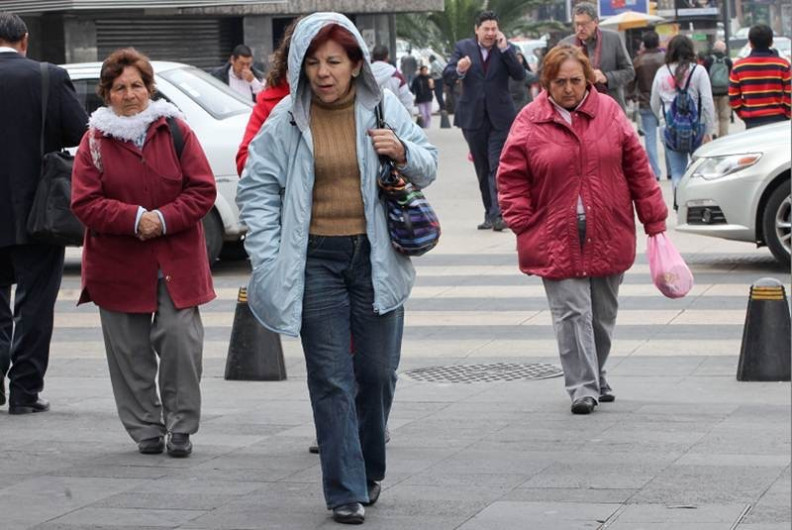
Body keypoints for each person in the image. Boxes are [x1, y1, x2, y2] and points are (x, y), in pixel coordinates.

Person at [236, 12, 437, 524]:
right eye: (313, 63)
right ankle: (343, 488)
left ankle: (368, 469)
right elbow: (257, 191)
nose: (323, 73)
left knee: (376, 374)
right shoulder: (286, 119)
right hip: (315, 262)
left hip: (376, 258)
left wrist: (402, 150)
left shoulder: (383, 106)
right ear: (299, 67)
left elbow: (429, 161)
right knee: (330, 377)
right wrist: (267, 256)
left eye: (334, 61)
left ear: (355, 65)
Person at [497, 44, 668, 415]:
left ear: (588, 79)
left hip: (608, 228)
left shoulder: (609, 112)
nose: (570, 88)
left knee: (602, 316)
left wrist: (654, 218)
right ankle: (583, 387)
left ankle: (596, 371)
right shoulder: (529, 119)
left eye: (576, 80)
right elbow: (510, 178)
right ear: (547, 83)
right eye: (560, 82)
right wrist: (523, 223)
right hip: (553, 234)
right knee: (572, 314)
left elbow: (638, 167)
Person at [71, 48, 217, 457]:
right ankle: (146, 429)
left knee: (179, 339)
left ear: (150, 89)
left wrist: (164, 219)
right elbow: (84, 203)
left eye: (137, 85)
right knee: (129, 352)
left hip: (175, 258)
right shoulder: (94, 142)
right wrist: (135, 219)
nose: (130, 94)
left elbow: (202, 190)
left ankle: (181, 425)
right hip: (116, 263)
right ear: (106, 94)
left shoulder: (174, 130)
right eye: (119, 87)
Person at [0, 12, 88, 414]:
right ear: (25, 40)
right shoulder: (47, 77)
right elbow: (80, 133)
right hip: (38, 215)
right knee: (35, 304)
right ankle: (24, 392)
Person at [443, 10, 525, 232]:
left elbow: (519, 75)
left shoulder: (506, 48)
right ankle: (490, 212)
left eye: (494, 29)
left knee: (496, 166)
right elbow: (447, 74)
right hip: (473, 117)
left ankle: (499, 213)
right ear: (476, 30)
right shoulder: (463, 47)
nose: (490, 33)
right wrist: (459, 69)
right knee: (482, 168)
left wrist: (506, 50)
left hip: (501, 118)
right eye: (486, 29)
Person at [650, 35, 715, 188]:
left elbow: (654, 102)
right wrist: (708, 129)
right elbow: (707, 101)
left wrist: (662, 119)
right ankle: (694, 205)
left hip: (669, 127)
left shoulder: (662, 72)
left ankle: (678, 206)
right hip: (696, 127)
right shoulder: (698, 71)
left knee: (677, 171)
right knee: (697, 171)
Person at [236, 20, 299, 176]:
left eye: (333, 61)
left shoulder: (360, 107)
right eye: (311, 60)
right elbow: (244, 160)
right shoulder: (271, 101)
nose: (322, 72)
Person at [561, 2, 635, 112]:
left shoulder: (613, 39)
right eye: (577, 24)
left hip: (610, 108)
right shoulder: (565, 44)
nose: (580, 28)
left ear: (595, 22)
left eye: (584, 24)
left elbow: (630, 72)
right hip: (578, 110)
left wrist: (607, 77)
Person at [729, 25, 791, 129]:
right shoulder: (783, 65)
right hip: (778, 119)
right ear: (771, 42)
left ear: (750, 43)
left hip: (752, 120)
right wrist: (787, 114)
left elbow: (733, 97)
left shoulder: (739, 66)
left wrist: (744, 114)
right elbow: (789, 94)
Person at [629, 30, 665, 180]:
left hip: (645, 102)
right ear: (657, 42)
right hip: (665, 102)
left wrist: (631, 95)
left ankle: (655, 172)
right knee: (666, 137)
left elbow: (631, 82)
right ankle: (671, 170)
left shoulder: (638, 60)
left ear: (644, 44)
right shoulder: (665, 59)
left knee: (650, 138)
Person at [370, 44, 414, 114]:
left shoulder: (365, 75)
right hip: (393, 118)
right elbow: (406, 99)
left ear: (372, 57)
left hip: (370, 120)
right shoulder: (396, 75)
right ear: (387, 57)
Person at [703, 40, 733, 138]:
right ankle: (723, 135)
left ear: (714, 49)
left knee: (713, 115)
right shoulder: (728, 61)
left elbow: (705, 76)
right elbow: (731, 76)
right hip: (725, 92)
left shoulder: (708, 60)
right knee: (724, 116)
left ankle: (714, 133)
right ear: (724, 49)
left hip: (711, 92)